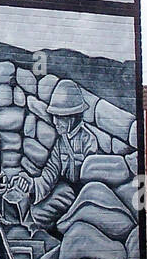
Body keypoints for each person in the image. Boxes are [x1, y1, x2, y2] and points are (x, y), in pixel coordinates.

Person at [12, 80, 103, 230]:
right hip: (63, 190)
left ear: (72, 117)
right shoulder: (61, 143)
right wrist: (31, 184)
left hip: (81, 195)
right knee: (36, 211)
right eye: (54, 116)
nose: (55, 122)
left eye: (60, 117)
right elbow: (49, 174)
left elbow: (92, 181)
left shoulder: (89, 141)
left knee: (51, 206)